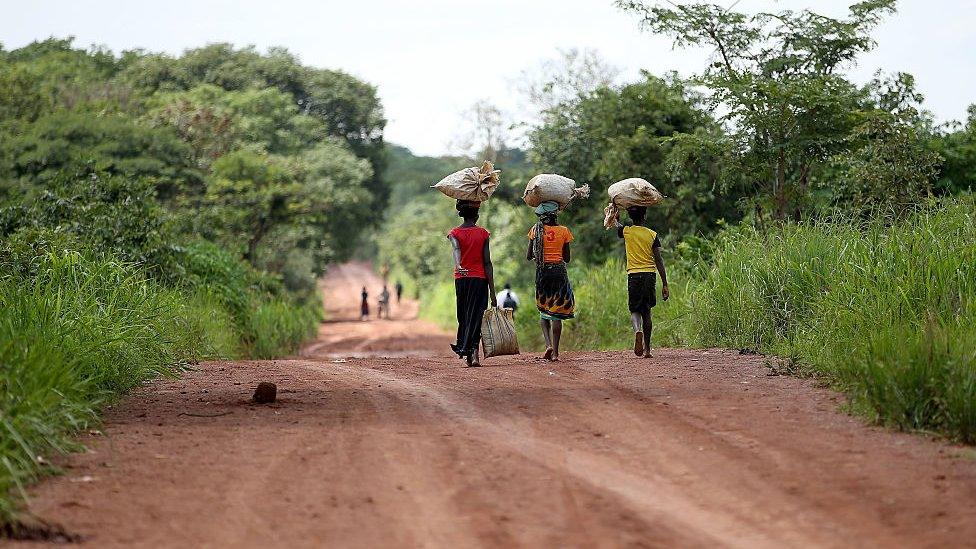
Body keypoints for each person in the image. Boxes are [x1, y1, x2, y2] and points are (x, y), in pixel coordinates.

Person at [448, 200, 497, 367]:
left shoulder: (454, 233)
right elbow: (487, 263)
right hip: (479, 280)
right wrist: (492, 292)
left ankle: (468, 351)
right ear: (476, 215)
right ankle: (474, 353)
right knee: (477, 315)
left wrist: (459, 264)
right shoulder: (483, 234)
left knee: (463, 315)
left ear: (461, 214)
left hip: (461, 279)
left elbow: (456, 249)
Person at [615, 206, 669, 357]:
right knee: (647, 312)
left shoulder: (627, 231)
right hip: (649, 276)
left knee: (634, 310)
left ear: (631, 217)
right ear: (644, 216)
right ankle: (647, 349)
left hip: (633, 275)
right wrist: (665, 283)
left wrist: (616, 216)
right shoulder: (652, 235)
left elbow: (617, 226)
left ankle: (637, 330)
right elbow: (659, 260)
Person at [526, 201, 574, 361]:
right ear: (555, 215)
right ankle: (556, 353)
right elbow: (567, 258)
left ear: (543, 217)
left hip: (542, 273)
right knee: (557, 313)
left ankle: (548, 345)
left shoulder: (535, 230)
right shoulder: (564, 231)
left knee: (544, 310)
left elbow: (528, 256)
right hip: (559, 272)